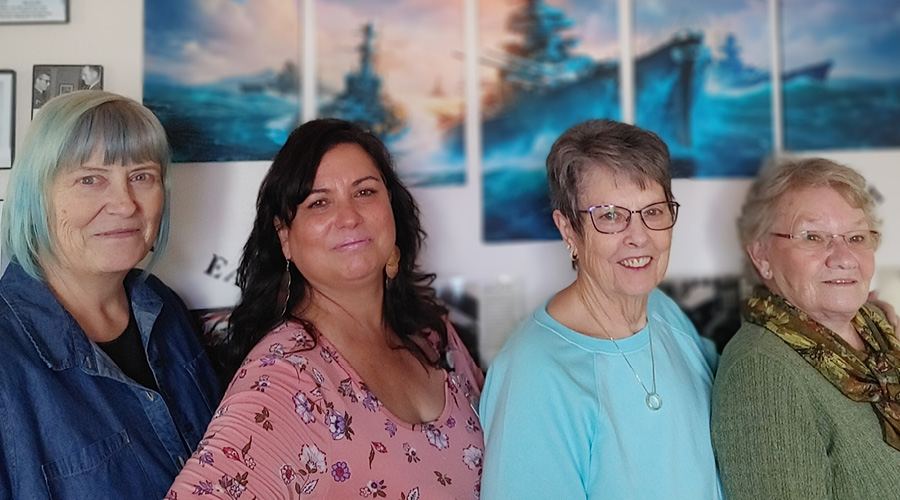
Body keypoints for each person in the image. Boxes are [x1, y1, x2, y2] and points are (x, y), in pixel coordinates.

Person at [166, 118, 484, 499]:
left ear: (392, 209)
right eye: (319, 202)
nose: (348, 217)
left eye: (365, 192)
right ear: (285, 236)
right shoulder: (285, 378)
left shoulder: (434, 333)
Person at [479, 119, 722, 499]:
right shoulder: (534, 376)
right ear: (568, 230)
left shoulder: (662, 311)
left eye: (653, 211)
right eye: (610, 216)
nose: (639, 237)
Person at [0, 91, 220, 499]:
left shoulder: (162, 305)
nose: (124, 204)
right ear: (36, 197)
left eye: (142, 176)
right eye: (90, 179)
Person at [711, 158, 900, 498]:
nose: (843, 256)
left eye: (856, 236)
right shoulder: (763, 374)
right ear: (762, 257)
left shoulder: (876, 328)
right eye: (812, 237)